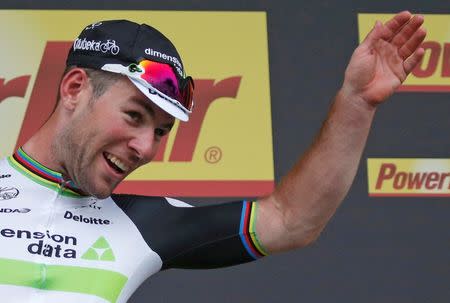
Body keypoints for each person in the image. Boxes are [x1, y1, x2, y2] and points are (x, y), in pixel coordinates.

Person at [0, 11, 426, 303]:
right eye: (134, 116)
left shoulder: (143, 224)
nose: (146, 148)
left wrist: (356, 103)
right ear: (74, 88)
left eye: (161, 132)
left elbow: (292, 219)